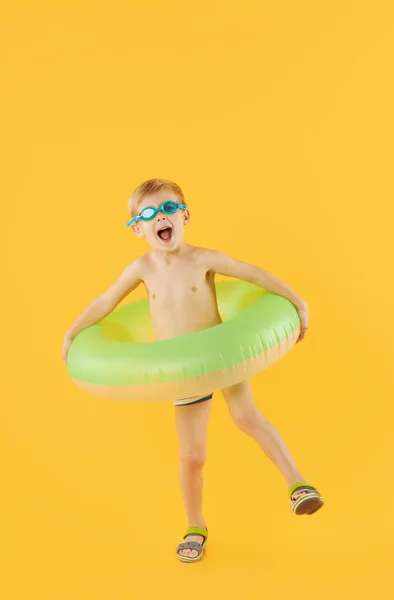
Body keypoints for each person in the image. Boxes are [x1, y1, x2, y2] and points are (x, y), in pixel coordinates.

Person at [62, 178, 324, 563]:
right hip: (182, 370)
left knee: (248, 417)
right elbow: (106, 301)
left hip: (224, 354)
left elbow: (252, 273)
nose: (160, 218)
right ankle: (195, 525)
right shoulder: (141, 268)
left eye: (169, 208)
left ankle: (298, 484)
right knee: (192, 455)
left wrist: (298, 303)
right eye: (148, 214)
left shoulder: (203, 259)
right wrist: (73, 334)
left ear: (185, 215)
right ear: (138, 229)